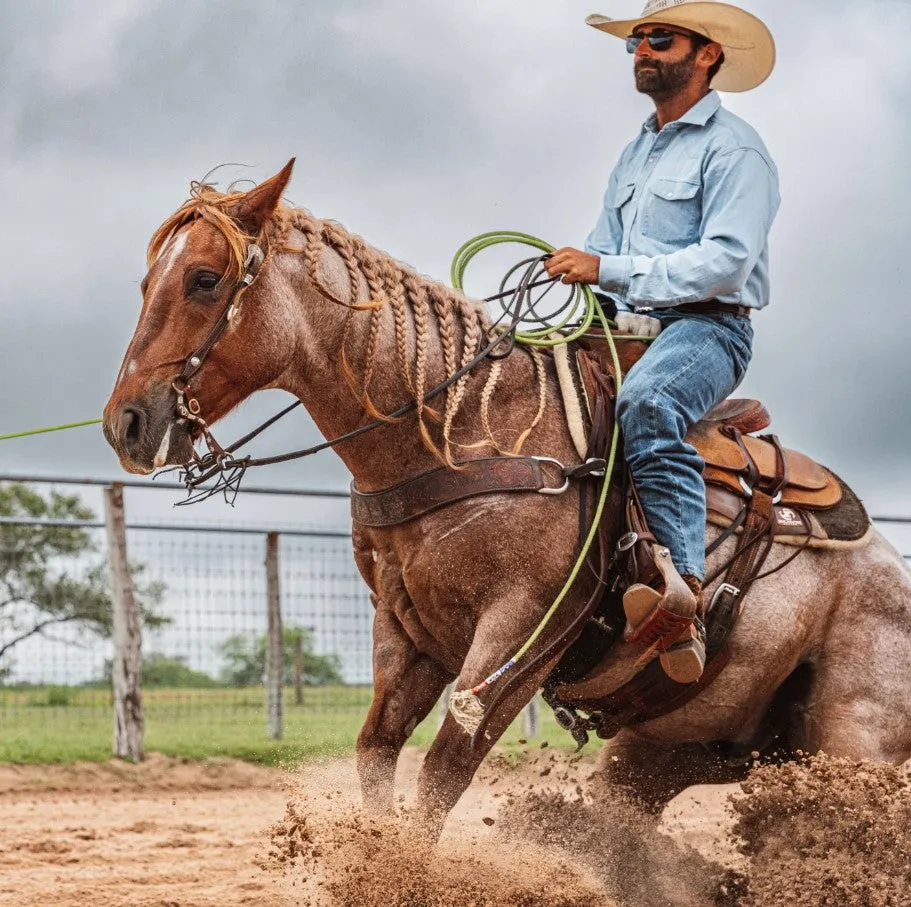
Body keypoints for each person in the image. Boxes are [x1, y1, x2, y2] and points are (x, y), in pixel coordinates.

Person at [544, 0, 780, 684]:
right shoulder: (636, 151)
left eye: (658, 37)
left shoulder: (734, 149)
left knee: (647, 405)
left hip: (708, 326)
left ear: (705, 53)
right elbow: (602, 247)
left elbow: (727, 261)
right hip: (627, 323)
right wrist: (583, 276)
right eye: (636, 41)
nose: (642, 50)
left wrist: (607, 270)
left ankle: (683, 594)